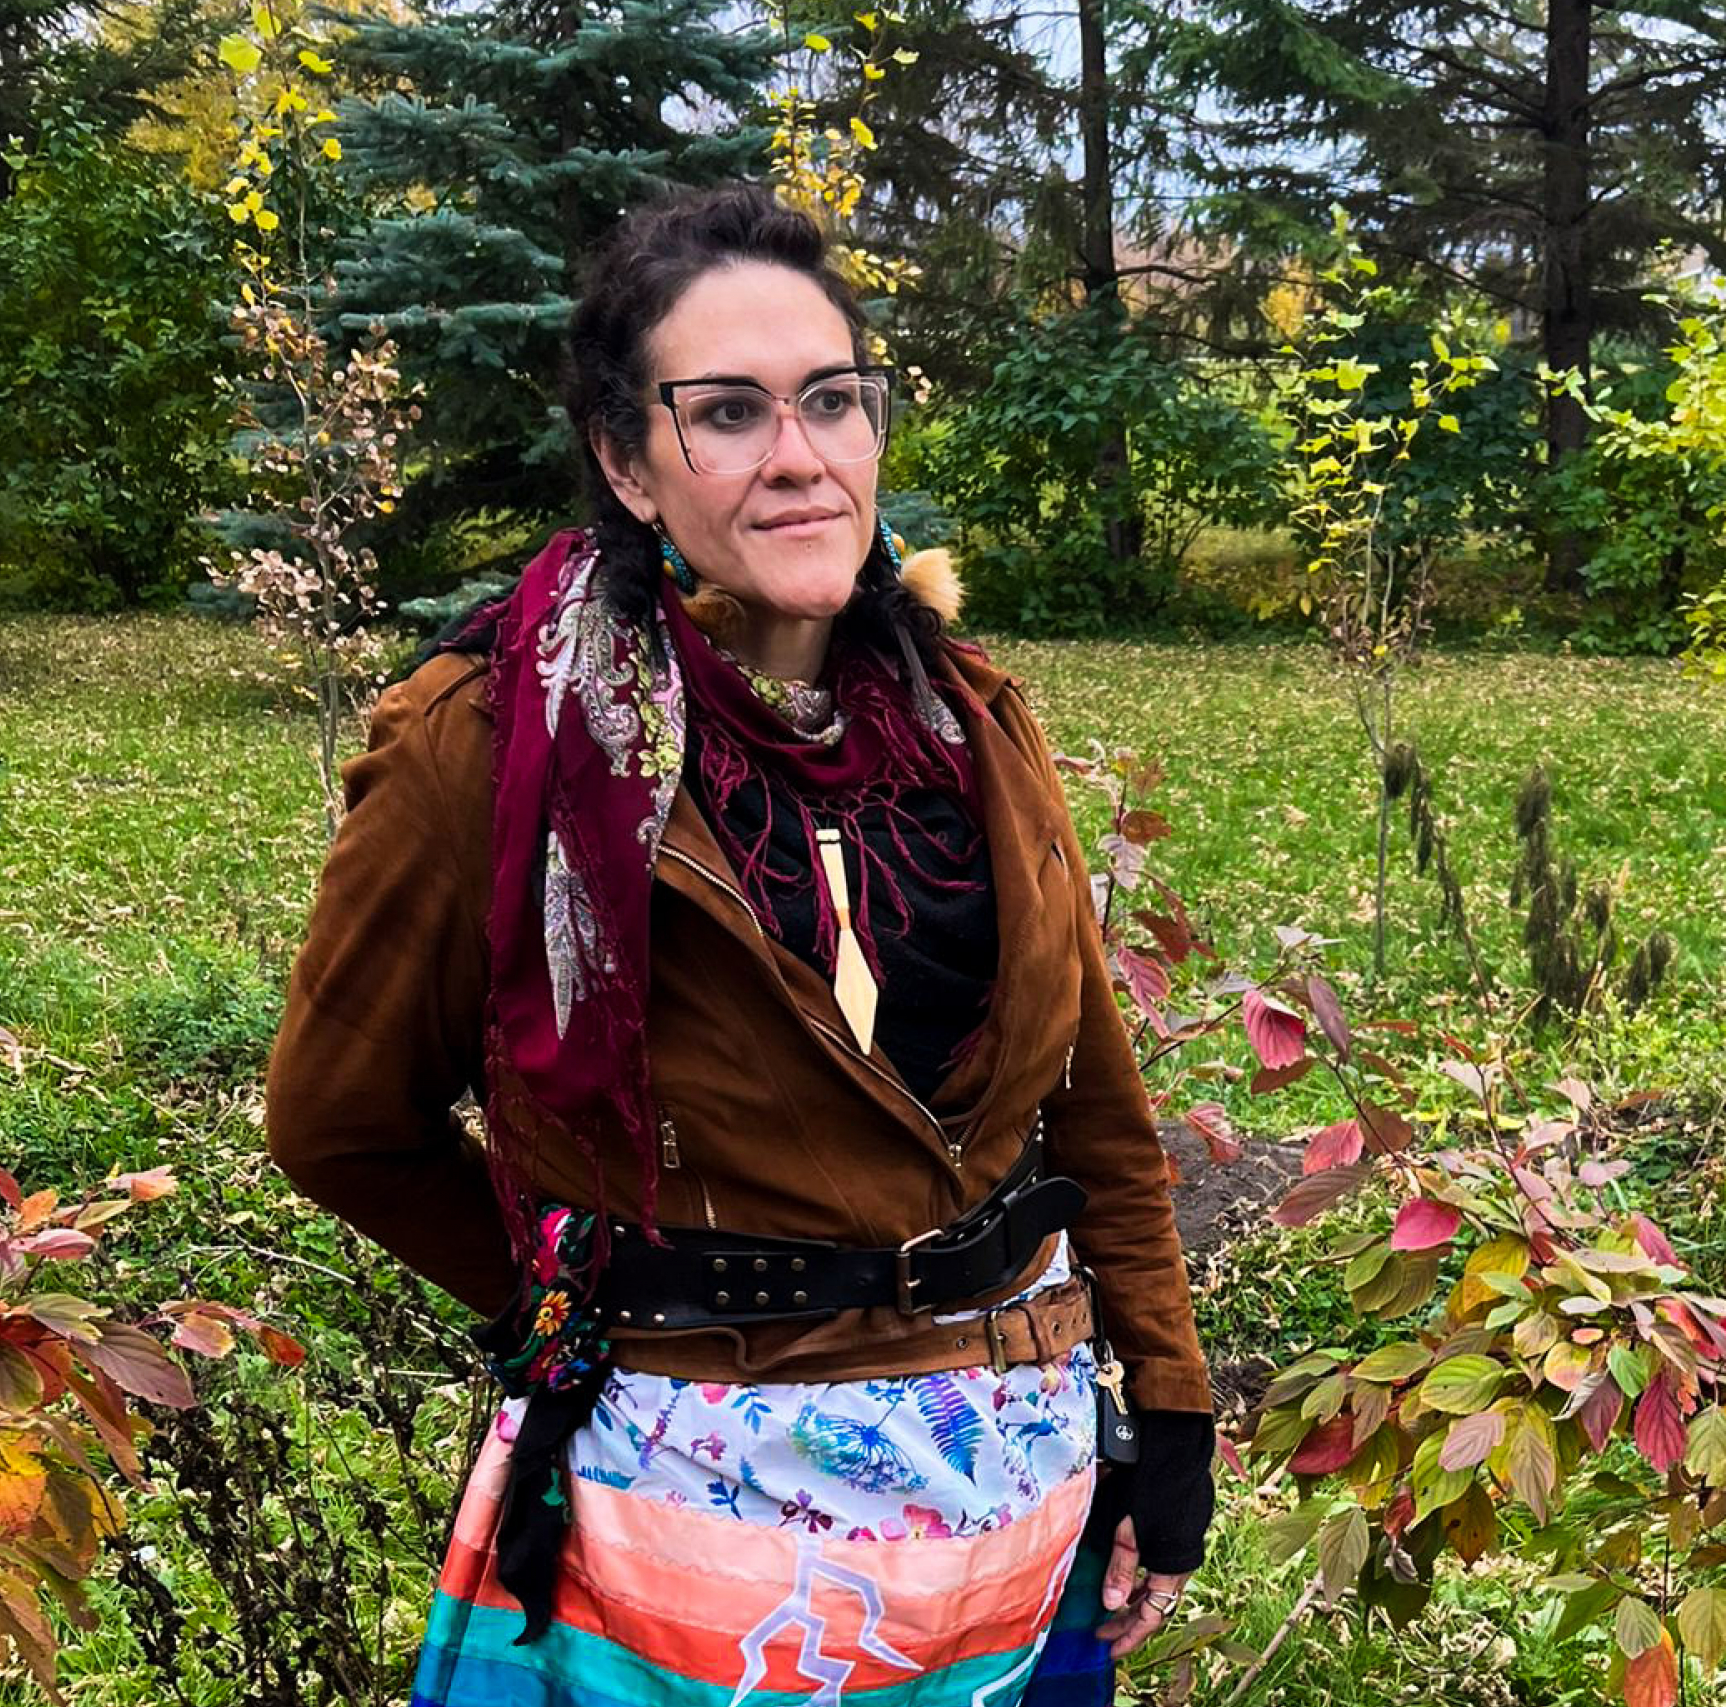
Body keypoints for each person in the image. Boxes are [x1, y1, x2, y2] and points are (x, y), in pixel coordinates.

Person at [263, 180, 1215, 1707]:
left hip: (1008, 1511)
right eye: (726, 412)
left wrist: (1166, 1405)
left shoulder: (972, 723)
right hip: (683, 1526)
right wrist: (582, 1300)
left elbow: (1091, 1106)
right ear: (628, 462)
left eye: (833, 401)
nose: (799, 457)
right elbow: (342, 1123)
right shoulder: (493, 742)